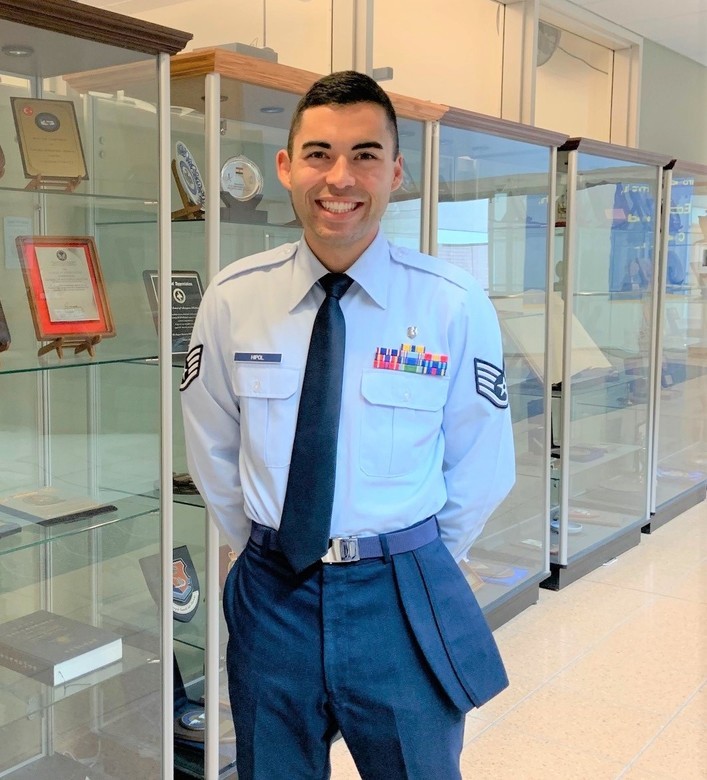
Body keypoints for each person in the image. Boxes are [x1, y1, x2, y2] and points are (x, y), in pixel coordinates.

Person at [181, 70, 515, 780]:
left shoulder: (451, 303)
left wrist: (409, 555)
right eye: (319, 154)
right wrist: (264, 545)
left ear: (395, 171)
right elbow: (211, 446)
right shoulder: (234, 298)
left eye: (365, 155)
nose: (340, 177)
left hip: (402, 595)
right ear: (286, 167)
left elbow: (482, 463)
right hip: (273, 592)